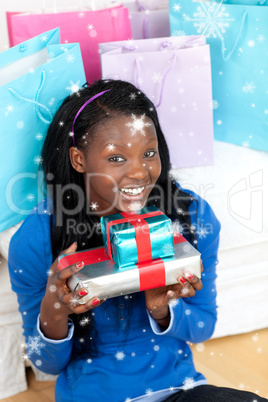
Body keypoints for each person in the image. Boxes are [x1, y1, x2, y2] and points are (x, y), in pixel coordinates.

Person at [8, 79, 266, 402]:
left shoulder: (190, 216)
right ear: (78, 159)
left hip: (180, 392)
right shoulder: (36, 240)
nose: (140, 173)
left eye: (148, 153)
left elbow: (203, 325)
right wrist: (55, 310)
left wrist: (163, 310)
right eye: (116, 158)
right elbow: (47, 363)